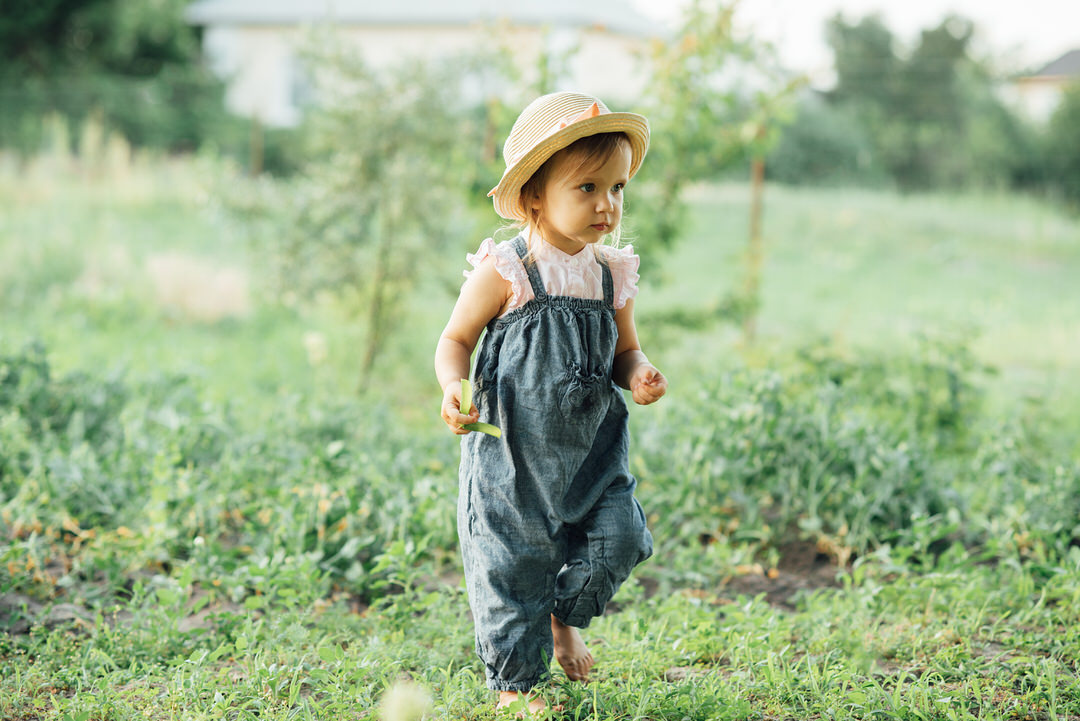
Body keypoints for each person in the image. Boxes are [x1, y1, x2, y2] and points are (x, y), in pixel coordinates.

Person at [434, 91, 668, 715]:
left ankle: (567, 619)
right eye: (587, 188)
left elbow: (626, 351)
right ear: (535, 195)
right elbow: (455, 339)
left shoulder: (612, 273)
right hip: (513, 457)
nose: (607, 205)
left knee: (621, 537)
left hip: (593, 454)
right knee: (513, 565)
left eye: (617, 188)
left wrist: (639, 372)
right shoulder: (507, 269)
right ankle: (517, 687)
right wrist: (452, 389)